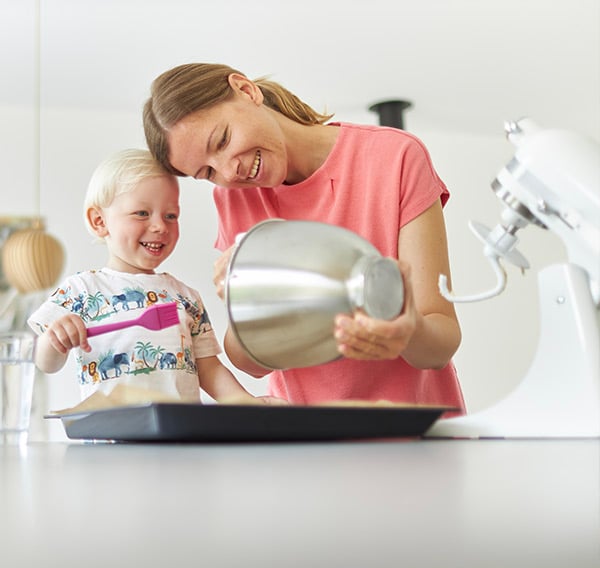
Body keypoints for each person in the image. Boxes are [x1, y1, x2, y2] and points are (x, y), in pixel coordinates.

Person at [143, 63, 465, 415]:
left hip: (414, 433)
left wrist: (408, 332)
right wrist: (243, 297)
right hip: (307, 438)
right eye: (207, 172)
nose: (228, 171)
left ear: (246, 90)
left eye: (222, 140)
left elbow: (439, 346)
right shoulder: (234, 198)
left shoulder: (395, 157)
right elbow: (252, 362)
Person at [28, 148, 268, 405]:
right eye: (142, 213)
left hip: (180, 438)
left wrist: (247, 403)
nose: (159, 226)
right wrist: (55, 339)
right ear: (100, 221)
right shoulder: (81, 290)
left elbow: (209, 368)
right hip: (111, 439)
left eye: (171, 216)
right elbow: (46, 363)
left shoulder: (186, 298)